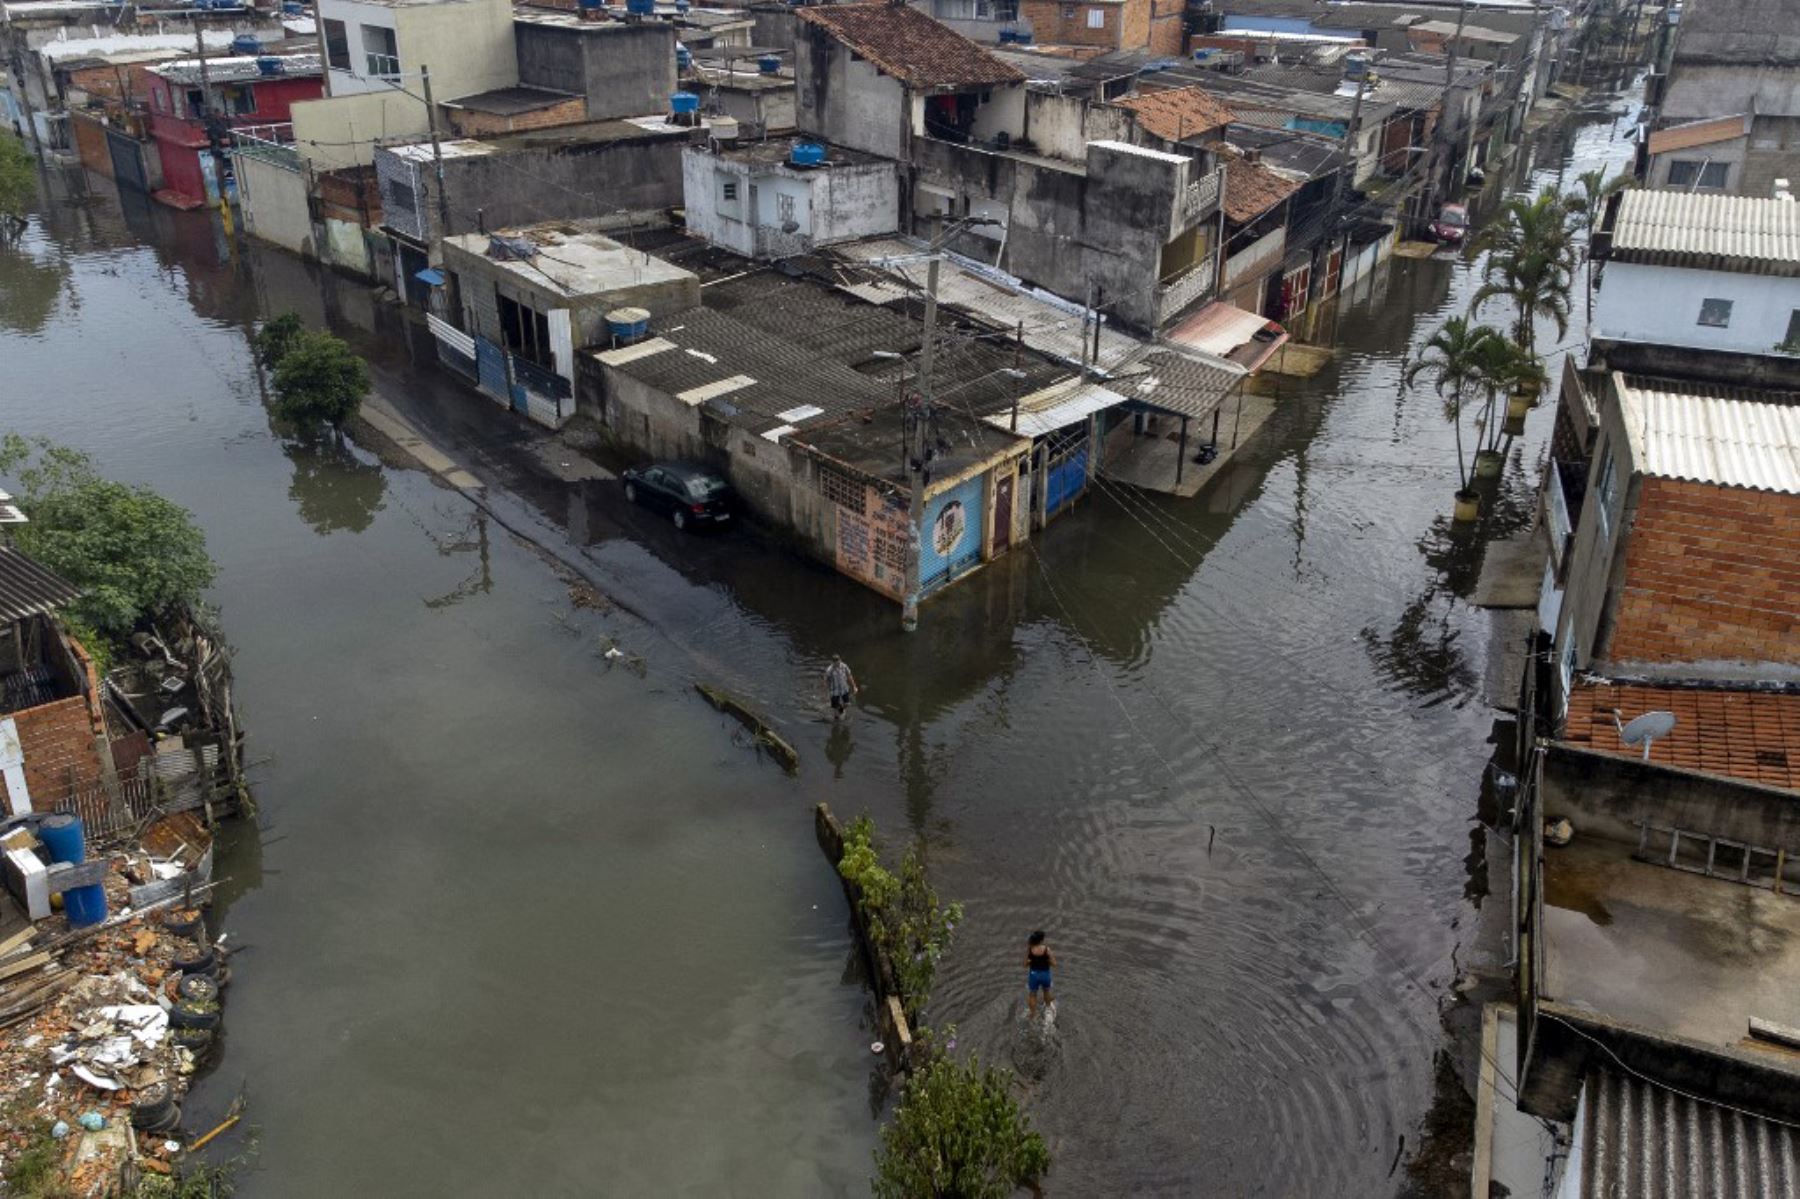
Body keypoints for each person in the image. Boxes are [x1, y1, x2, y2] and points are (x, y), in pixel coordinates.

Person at [1025, 930, 1055, 1019]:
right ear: (1041, 940)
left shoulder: (1030, 949)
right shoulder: (1046, 949)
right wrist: (1047, 961)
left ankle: (1032, 1014)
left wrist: (1030, 962)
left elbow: (1024, 965)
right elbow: (1054, 963)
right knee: (1046, 991)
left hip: (1034, 975)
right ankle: (1048, 1011)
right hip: (1045, 975)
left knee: (1032, 995)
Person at [823, 653, 859, 720]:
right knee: (836, 713)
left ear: (840, 660)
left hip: (844, 689)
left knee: (847, 704)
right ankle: (836, 718)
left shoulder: (844, 666)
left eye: (838, 662)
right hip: (834, 691)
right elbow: (825, 680)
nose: (837, 664)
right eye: (835, 662)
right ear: (833, 662)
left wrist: (854, 686)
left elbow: (849, 676)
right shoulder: (829, 670)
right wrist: (825, 692)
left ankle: (841, 709)